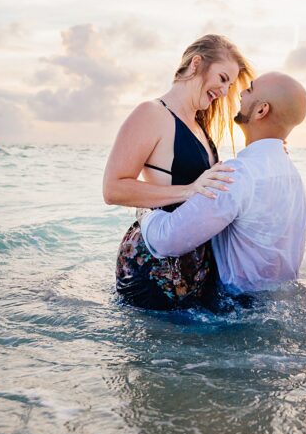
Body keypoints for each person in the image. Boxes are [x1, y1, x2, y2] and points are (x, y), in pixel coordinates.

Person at [103, 34, 253, 310]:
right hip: (155, 266)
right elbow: (113, 189)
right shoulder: (151, 114)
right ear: (196, 63)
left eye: (229, 84)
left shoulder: (198, 125)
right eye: (222, 78)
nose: (224, 90)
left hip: (191, 264)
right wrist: (189, 189)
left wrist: (270, 149)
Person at [140, 72, 306, 297]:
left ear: (261, 110)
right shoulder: (293, 176)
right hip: (278, 301)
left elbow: (168, 240)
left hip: (238, 307)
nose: (240, 93)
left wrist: (144, 211)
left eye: (249, 90)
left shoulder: (238, 175)